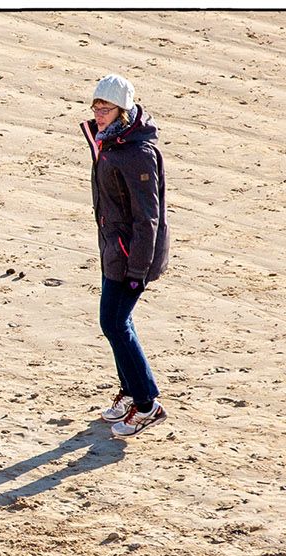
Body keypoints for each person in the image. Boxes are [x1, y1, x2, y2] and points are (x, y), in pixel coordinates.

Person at [80, 73, 171, 438]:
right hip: (114, 250)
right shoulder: (111, 141)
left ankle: (148, 403)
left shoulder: (136, 153)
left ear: (123, 110)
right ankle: (131, 392)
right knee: (116, 324)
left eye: (106, 108)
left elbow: (148, 217)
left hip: (132, 256)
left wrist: (137, 269)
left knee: (114, 324)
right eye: (96, 107)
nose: (99, 114)